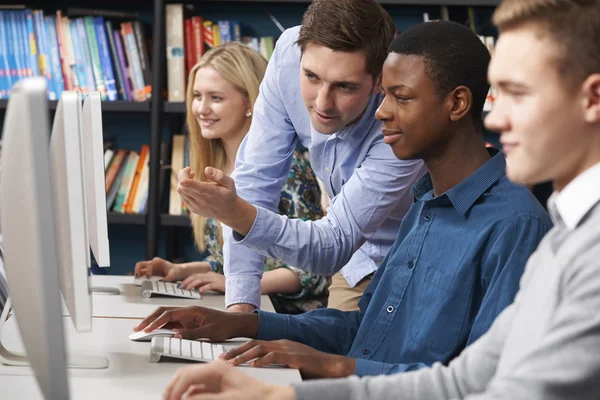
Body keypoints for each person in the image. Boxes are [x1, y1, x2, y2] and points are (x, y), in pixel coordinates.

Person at [162, 0, 600, 398]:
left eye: (518, 94)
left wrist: (316, 376)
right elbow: (391, 339)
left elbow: (484, 387)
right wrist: (247, 321)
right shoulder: (426, 206)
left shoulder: (520, 227)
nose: (381, 111)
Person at [176, 0, 427, 313]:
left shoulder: (406, 109)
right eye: (311, 77)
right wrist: (240, 306)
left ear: (378, 81)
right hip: (355, 261)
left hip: (417, 253)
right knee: (335, 349)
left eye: (344, 87)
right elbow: (256, 181)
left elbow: (333, 246)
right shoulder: (288, 56)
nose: (322, 103)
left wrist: (236, 213)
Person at [134, 43, 329, 314]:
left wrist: (235, 285)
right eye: (197, 96)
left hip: (288, 319)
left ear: (250, 103)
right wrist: (180, 270)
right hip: (250, 308)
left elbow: (313, 271)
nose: (201, 108)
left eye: (215, 98)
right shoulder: (214, 164)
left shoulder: (290, 168)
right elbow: (236, 258)